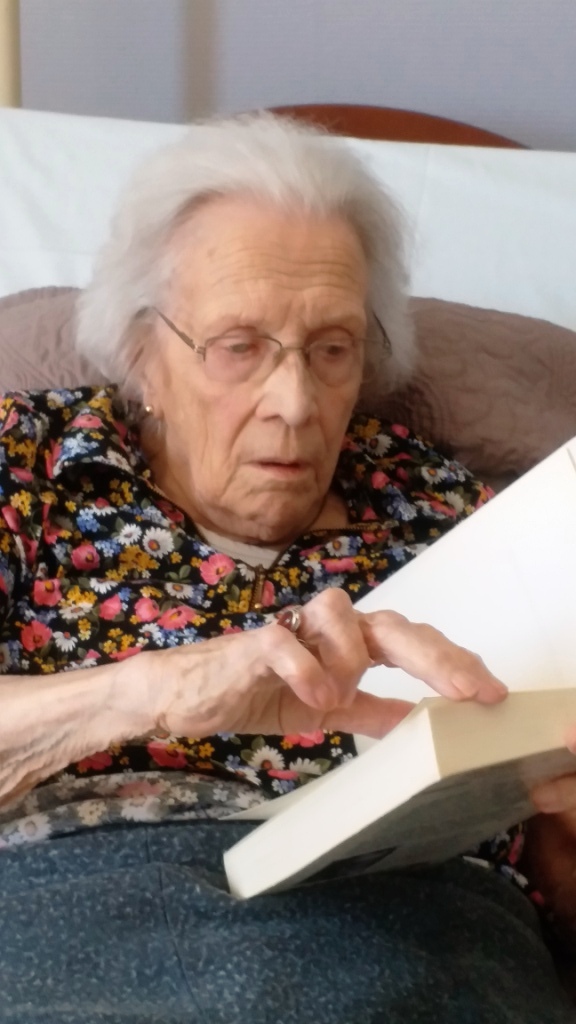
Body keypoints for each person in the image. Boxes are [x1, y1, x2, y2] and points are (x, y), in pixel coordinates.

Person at [0, 112, 573, 1023]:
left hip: (426, 939)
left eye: (332, 350)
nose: (296, 403)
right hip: (84, 916)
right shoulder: (27, 467)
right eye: (239, 347)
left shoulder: (457, 514)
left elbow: (557, 877)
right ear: (144, 350)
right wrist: (148, 692)